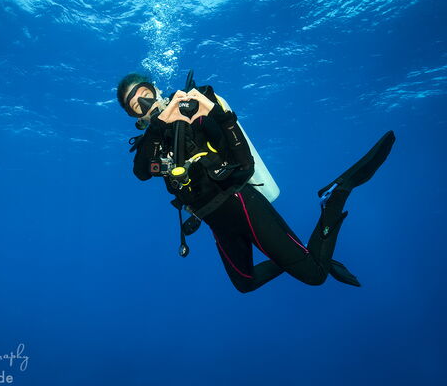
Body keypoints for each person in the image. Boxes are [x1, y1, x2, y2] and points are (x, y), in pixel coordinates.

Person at [117, 72, 395, 293]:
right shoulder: (151, 141)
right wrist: (158, 126)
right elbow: (141, 172)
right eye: (136, 106)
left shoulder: (189, 111)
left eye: (145, 94)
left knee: (315, 275)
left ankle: (335, 195)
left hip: (240, 202)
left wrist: (203, 113)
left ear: (155, 89)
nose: (145, 103)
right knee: (244, 283)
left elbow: (232, 146)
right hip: (214, 220)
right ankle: (298, 257)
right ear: (136, 117)